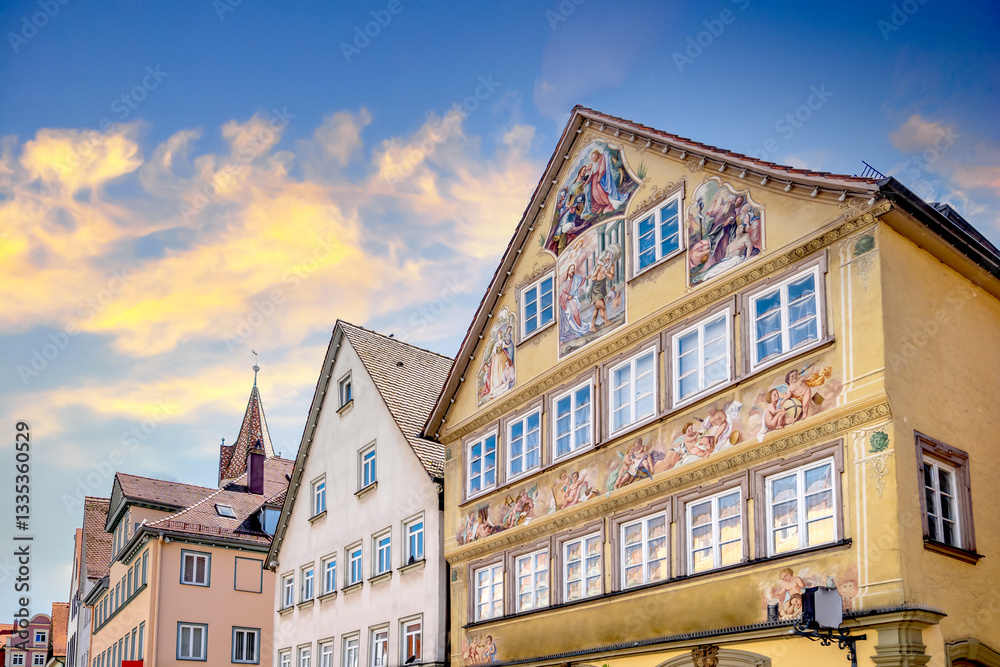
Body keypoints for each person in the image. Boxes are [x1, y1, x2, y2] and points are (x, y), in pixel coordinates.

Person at [559, 263, 589, 336]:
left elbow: (582, 279)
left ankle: (579, 328)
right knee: (571, 315)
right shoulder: (565, 284)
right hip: (568, 302)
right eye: (571, 269)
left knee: (576, 313)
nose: (572, 271)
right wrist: (567, 296)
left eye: (573, 269)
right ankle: (574, 330)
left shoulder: (575, 279)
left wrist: (589, 277)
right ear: (568, 271)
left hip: (574, 300)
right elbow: (562, 294)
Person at [589, 250, 616, 329]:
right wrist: (599, 277)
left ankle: (592, 326)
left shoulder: (611, 266)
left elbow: (611, 277)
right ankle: (606, 322)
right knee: (602, 306)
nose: (607, 261)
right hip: (596, 289)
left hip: (602, 289)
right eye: (606, 259)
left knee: (597, 308)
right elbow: (593, 277)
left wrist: (606, 273)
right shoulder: (599, 266)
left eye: (608, 260)